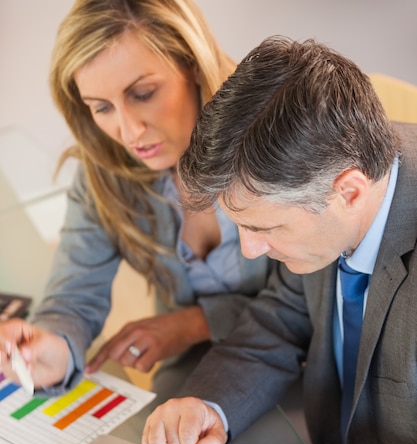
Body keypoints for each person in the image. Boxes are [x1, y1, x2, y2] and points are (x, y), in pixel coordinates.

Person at [142, 36, 417, 444]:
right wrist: (209, 403)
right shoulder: (336, 171)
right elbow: (280, 314)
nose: (250, 248)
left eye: (265, 227)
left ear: (348, 190)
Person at [0, 0, 269, 403]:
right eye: (101, 108)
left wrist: (196, 322)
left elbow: (311, 301)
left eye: (143, 93)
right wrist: (54, 343)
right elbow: (73, 293)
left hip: (307, 363)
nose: (129, 131)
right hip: (196, 364)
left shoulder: (276, 136)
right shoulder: (104, 173)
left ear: (192, 62)